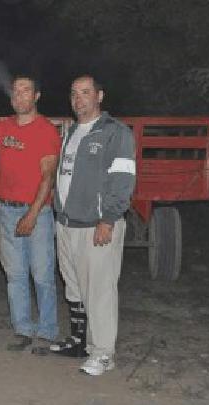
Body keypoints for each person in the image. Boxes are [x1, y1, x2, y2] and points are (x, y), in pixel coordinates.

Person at [51, 75, 136, 375]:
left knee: (99, 290)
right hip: (67, 224)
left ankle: (103, 353)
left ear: (99, 95)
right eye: (74, 93)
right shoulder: (71, 132)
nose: (79, 99)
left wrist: (108, 219)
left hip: (97, 225)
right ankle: (81, 343)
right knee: (74, 288)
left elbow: (123, 180)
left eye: (86, 93)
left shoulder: (115, 133)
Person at [0, 76, 62, 354]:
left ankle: (46, 331)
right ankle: (22, 328)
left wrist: (32, 215)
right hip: (6, 210)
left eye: (26, 91)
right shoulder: (3, 126)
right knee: (15, 274)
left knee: (42, 273)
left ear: (36, 96)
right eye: (16, 92)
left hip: (37, 211)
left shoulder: (46, 130)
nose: (20, 96)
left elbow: (48, 176)